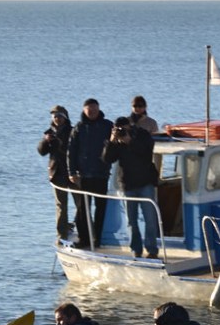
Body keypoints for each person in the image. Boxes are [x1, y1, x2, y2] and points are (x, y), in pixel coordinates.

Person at [103, 116, 160, 258]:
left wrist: (130, 142)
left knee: (150, 219)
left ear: (130, 125)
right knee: (131, 221)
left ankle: (152, 250)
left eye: (123, 128)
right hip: (127, 185)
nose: (122, 131)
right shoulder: (116, 141)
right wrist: (111, 142)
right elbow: (107, 159)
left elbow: (147, 152)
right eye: (118, 129)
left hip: (145, 182)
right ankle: (136, 249)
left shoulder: (142, 134)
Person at [68, 98, 115, 250]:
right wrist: (71, 172)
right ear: (84, 110)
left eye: (94, 109)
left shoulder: (107, 126)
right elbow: (71, 151)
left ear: (99, 109)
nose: (92, 112)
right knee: (83, 210)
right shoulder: (79, 128)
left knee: (101, 208)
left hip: (101, 174)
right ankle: (84, 238)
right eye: (89, 110)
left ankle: (99, 238)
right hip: (83, 175)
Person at [38, 104, 74, 241]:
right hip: (57, 173)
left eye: (60, 116)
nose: (57, 119)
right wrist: (45, 141)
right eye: (55, 116)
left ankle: (79, 228)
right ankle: (61, 234)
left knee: (81, 203)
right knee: (61, 205)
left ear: (65, 118)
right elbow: (41, 151)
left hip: (72, 171)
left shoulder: (72, 131)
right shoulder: (49, 133)